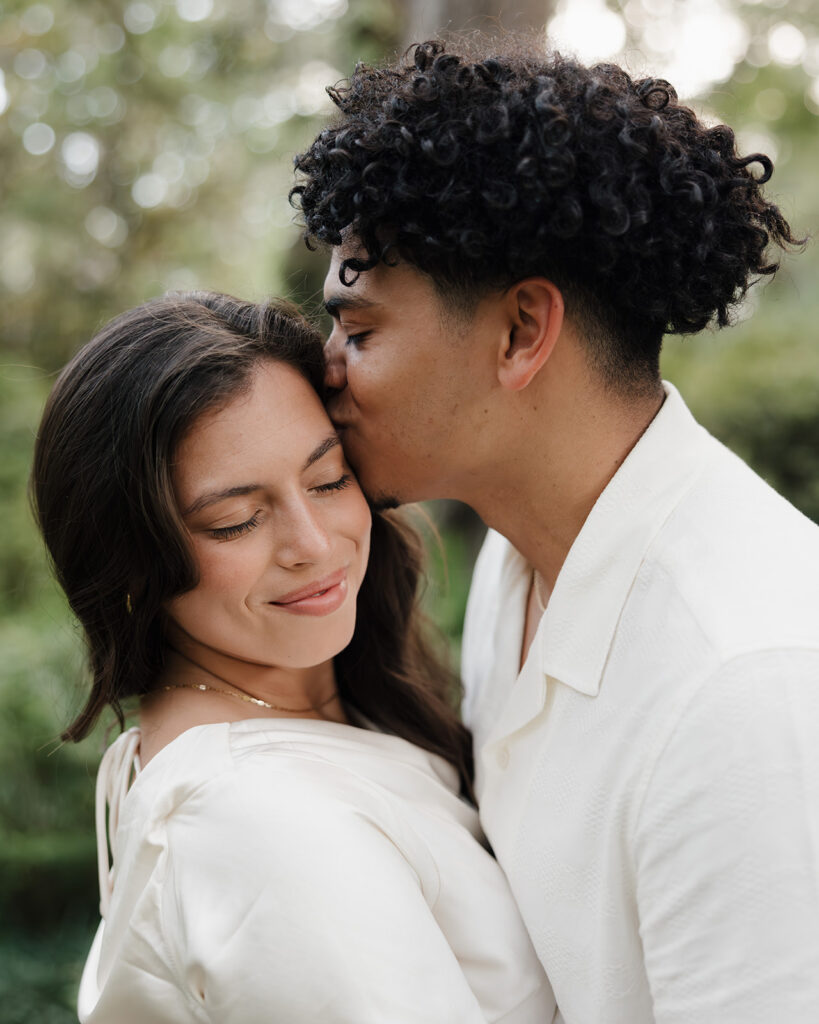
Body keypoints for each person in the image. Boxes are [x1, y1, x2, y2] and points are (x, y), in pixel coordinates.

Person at [293, 36, 819, 1023]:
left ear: (522, 332)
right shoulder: (516, 559)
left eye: (359, 332)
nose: (323, 371)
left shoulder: (748, 686)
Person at [31, 292, 556, 1023]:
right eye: (234, 520)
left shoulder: (326, 706)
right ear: (128, 564)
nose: (312, 543)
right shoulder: (257, 822)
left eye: (329, 478)